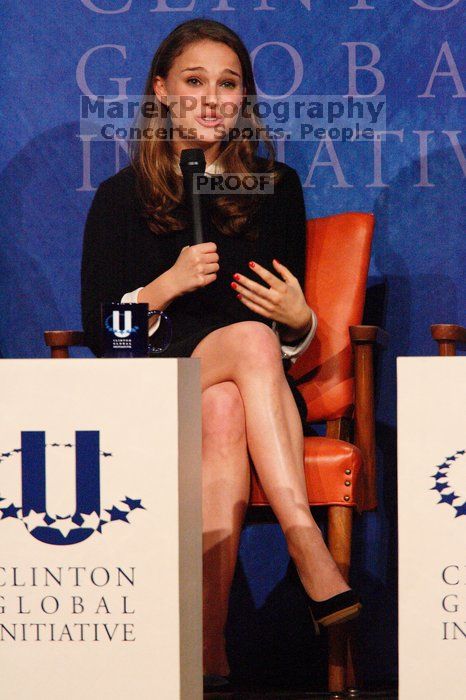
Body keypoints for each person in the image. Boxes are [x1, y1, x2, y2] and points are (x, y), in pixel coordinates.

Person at [81, 18, 361, 688]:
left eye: (228, 84)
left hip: (247, 390)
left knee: (230, 403)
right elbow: (101, 334)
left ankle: (206, 653)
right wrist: (166, 285)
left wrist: (301, 320)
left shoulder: (275, 186)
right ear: (160, 91)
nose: (211, 97)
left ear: (244, 99)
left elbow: (284, 322)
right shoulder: (122, 197)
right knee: (245, 348)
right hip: (155, 390)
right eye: (194, 81)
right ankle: (305, 540)